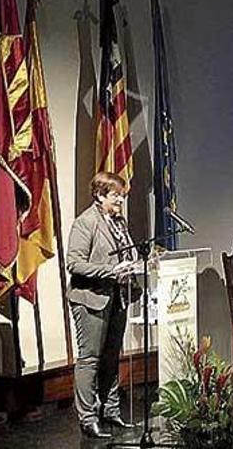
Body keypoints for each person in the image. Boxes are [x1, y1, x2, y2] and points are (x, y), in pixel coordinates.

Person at [66, 172, 140, 438]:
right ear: (99, 195)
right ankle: (87, 418)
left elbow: (128, 252)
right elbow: (74, 263)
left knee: (111, 356)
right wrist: (111, 271)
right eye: (115, 195)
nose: (121, 199)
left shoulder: (118, 222)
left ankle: (110, 410)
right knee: (90, 359)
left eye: (122, 194)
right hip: (91, 300)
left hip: (117, 297)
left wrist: (137, 262)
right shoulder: (85, 222)